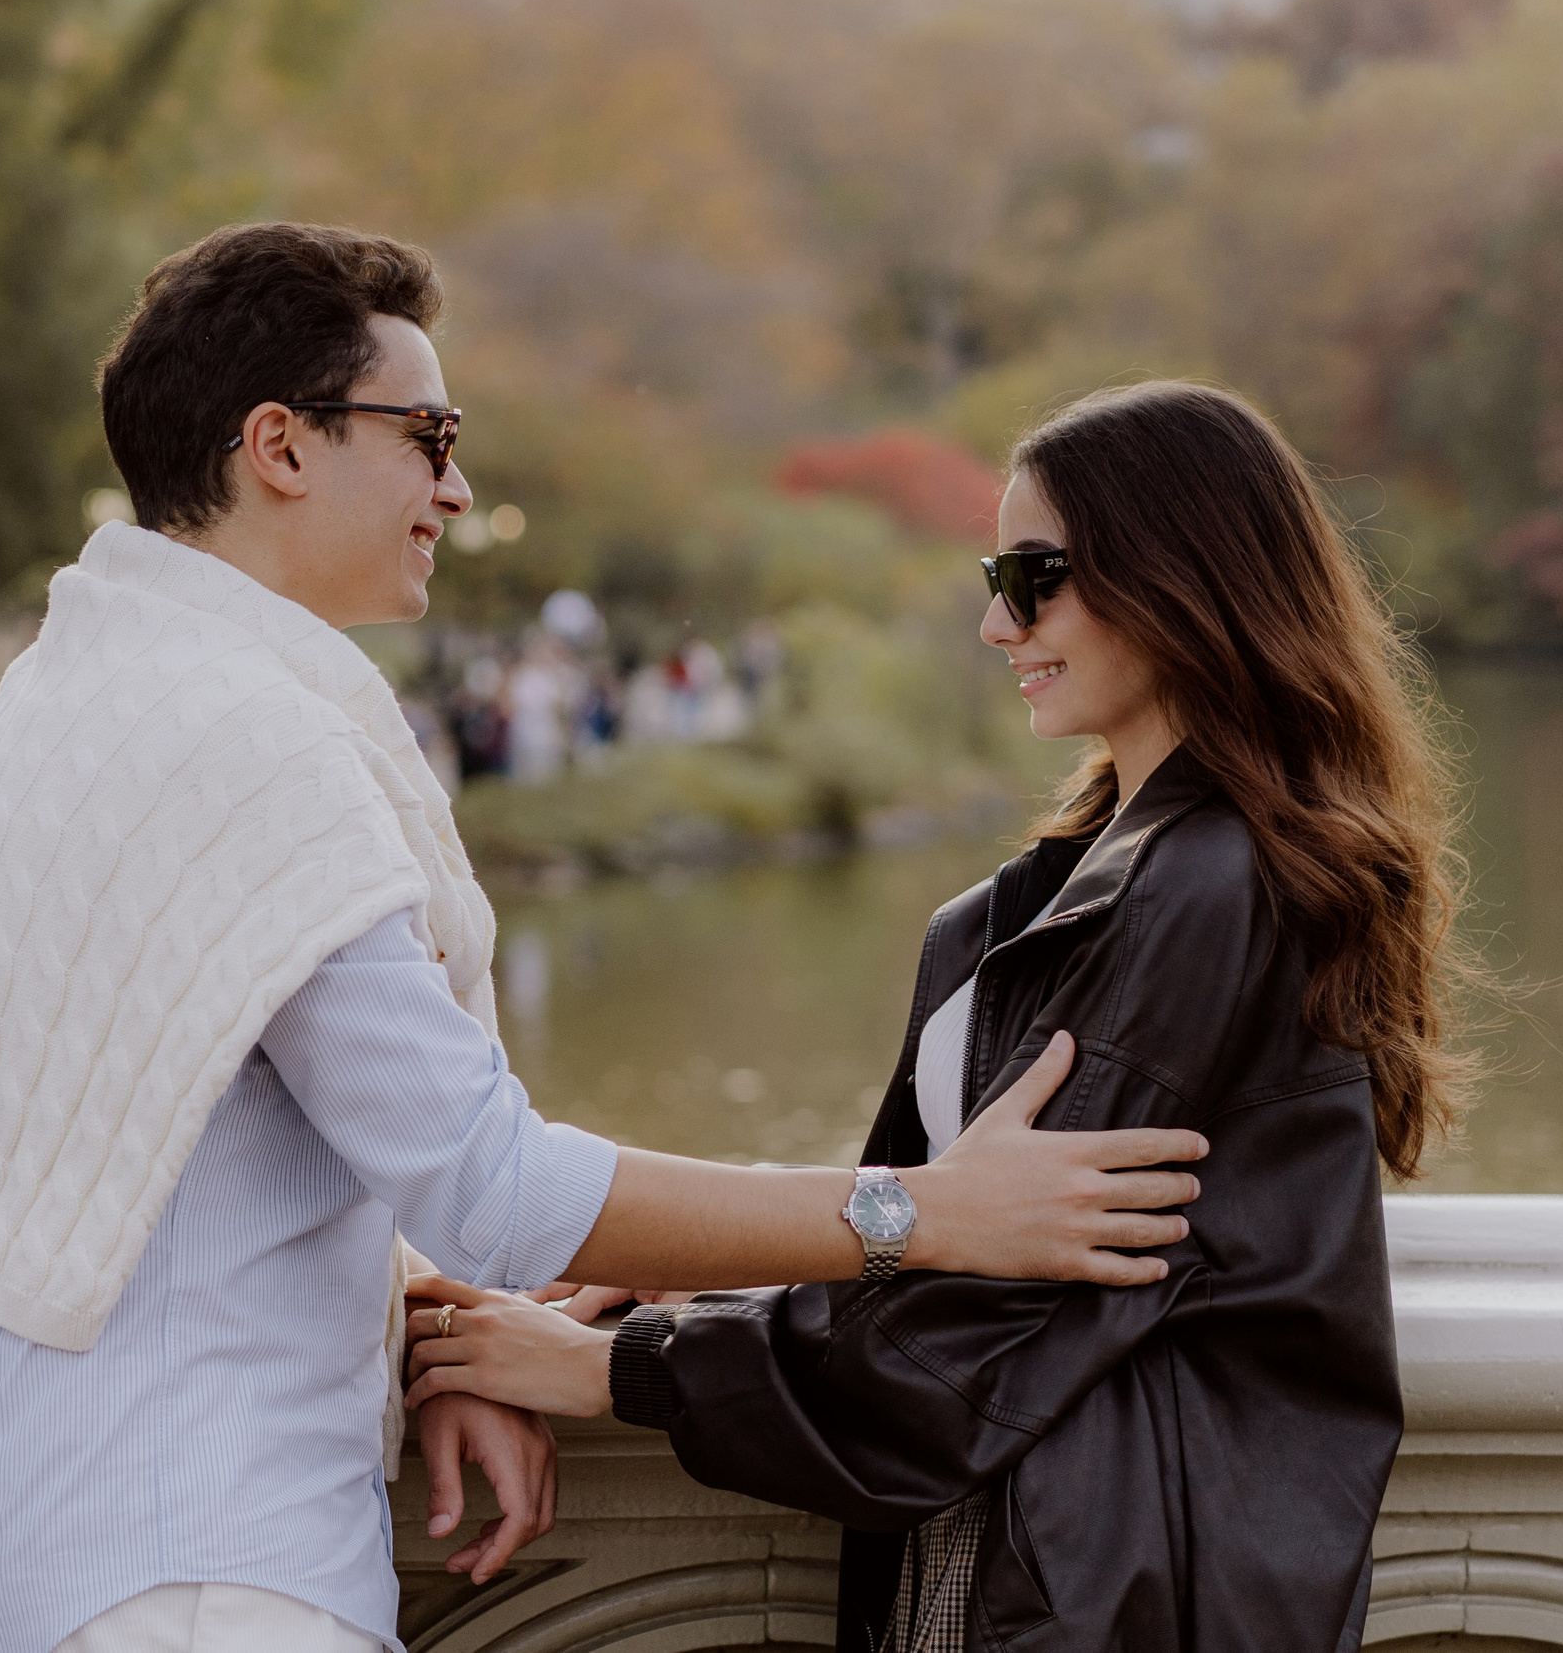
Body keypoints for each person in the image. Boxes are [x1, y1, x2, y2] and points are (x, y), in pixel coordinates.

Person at [0, 225, 1210, 1653]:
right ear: (280, 443)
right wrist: (921, 1212)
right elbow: (493, 1182)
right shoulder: (245, 736)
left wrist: (431, 1326)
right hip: (186, 1557)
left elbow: (188, 1133)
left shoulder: (84, 679)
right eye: (428, 434)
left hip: (25, 1502)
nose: (456, 485)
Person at [402, 381, 1486, 1653]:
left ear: (1181, 575)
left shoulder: (1212, 886)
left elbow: (1004, 1309)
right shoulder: (1086, 885)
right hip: (1055, 1571)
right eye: (995, 574)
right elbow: (957, 1217)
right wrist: (717, 1256)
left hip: (1117, 1597)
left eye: (1036, 577)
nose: (993, 621)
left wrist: (620, 1369)